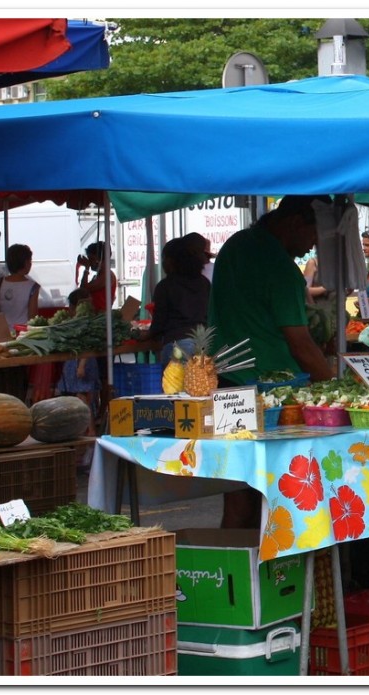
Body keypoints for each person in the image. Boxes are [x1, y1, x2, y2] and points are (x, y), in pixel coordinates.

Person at [209, 194, 335, 529]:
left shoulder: (235, 246)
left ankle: (234, 572)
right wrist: (336, 388)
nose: (312, 246)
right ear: (295, 222)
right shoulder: (280, 266)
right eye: (312, 235)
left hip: (227, 387)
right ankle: (276, 574)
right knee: (283, 496)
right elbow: (301, 344)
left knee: (238, 495)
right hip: (276, 397)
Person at [135, 236, 210, 367]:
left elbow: (159, 321)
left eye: (164, 259)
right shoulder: (204, 283)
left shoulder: (165, 286)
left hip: (177, 345)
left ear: (171, 261)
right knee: (202, 386)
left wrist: (146, 335)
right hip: (203, 345)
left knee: (175, 387)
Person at [56, 289, 100, 447]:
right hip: (78, 363)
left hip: (81, 364)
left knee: (83, 396)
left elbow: (86, 347)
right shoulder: (82, 322)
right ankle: (86, 428)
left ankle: (91, 429)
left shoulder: (84, 324)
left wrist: (81, 365)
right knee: (82, 396)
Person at [0, 243, 40, 332]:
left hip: (0, 333)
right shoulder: (33, 287)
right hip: (21, 335)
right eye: (30, 260)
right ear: (26, 263)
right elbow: (32, 317)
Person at [78, 241, 118, 312]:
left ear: (100, 259)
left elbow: (84, 289)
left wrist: (86, 268)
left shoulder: (107, 276)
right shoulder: (99, 275)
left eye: (92, 259)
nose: (89, 262)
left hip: (101, 315)